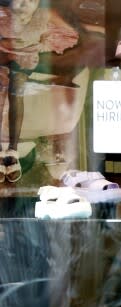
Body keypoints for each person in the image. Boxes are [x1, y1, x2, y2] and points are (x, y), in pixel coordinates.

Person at [0, 0, 79, 182]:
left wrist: (41, 45)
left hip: (25, 60)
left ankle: (12, 149)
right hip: (3, 57)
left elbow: (67, 35)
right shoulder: (3, 15)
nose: (25, 3)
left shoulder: (44, 16)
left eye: (32, 0)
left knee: (16, 88)